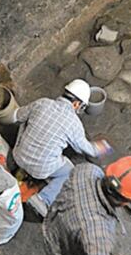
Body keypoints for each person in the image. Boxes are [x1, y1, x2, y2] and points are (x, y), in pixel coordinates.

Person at [12, 79, 110, 216]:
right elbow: (87, 149)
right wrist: (102, 147)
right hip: (41, 170)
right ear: (76, 104)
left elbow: (17, 115)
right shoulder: (74, 123)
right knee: (69, 170)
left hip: (18, 155)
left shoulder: (42, 103)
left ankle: (22, 170)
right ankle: (43, 199)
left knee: (25, 122)